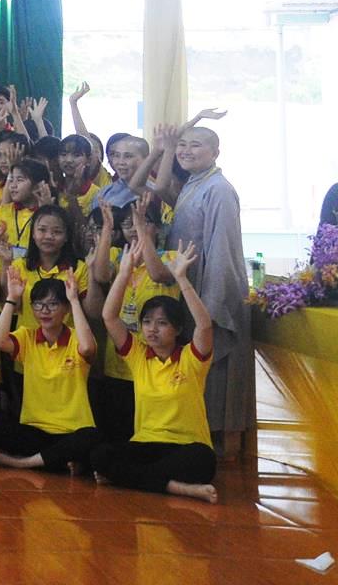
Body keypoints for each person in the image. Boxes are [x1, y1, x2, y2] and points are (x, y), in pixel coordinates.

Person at [151, 115, 252, 455]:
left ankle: (221, 446)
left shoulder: (219, 190)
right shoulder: (194, 184)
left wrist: (210, 307)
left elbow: (222, 250)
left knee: (217, 371)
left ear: (215, 152)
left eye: (195, 145)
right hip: (189, 287)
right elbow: (156, 189)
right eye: (182, 145)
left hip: (211, 292)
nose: (186, 151)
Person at [94, 240, 219, 503]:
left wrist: (181, 278)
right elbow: (110, 317)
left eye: (162, 323)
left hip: (187, 446)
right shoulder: (139, 356)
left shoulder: (191, 358)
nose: (152, 329)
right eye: (147, 322)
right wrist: (124, 273)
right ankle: (178, 488)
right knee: (100, 455)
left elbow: (205, 326)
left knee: (204, 461)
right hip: (145, 443)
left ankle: (130, 478)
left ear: (177, 329)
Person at [0, 267, 100, 473]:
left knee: (90, 438)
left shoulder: (78, 338)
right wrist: (12, 298)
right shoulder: (27, 336)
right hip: (34, 429)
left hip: (72, 431)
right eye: (38, 305)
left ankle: (23, 463)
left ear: (65, 309)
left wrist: (74, 300)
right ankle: (59, 462)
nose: (44, 311)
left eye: (53, 304)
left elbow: (88, 349)